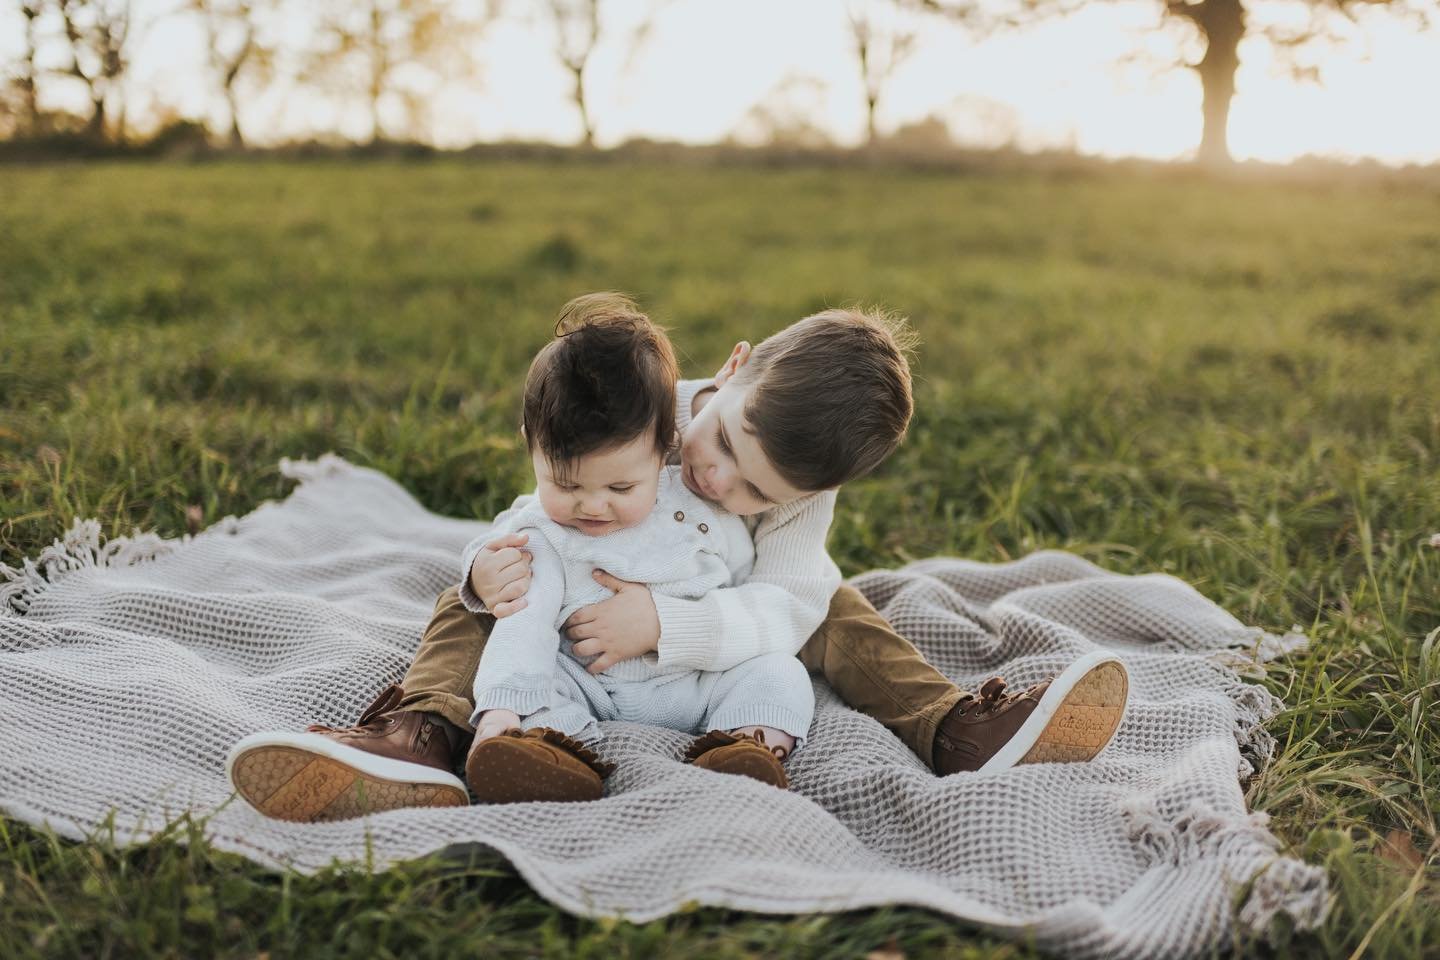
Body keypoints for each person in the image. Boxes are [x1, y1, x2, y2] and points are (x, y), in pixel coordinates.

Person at [227, 292, 1129, 822]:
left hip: (719, 628)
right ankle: (425, 733)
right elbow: (553, 498)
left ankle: (954, 730)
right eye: (726, 444)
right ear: (730, 374)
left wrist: (668, 622)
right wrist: (484, 570)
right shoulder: (649, 412)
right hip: (573, 608)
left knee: (835, 605)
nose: (718, 479)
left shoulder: (796, 501)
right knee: (490, 584)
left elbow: (785, 607)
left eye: (757, 492)